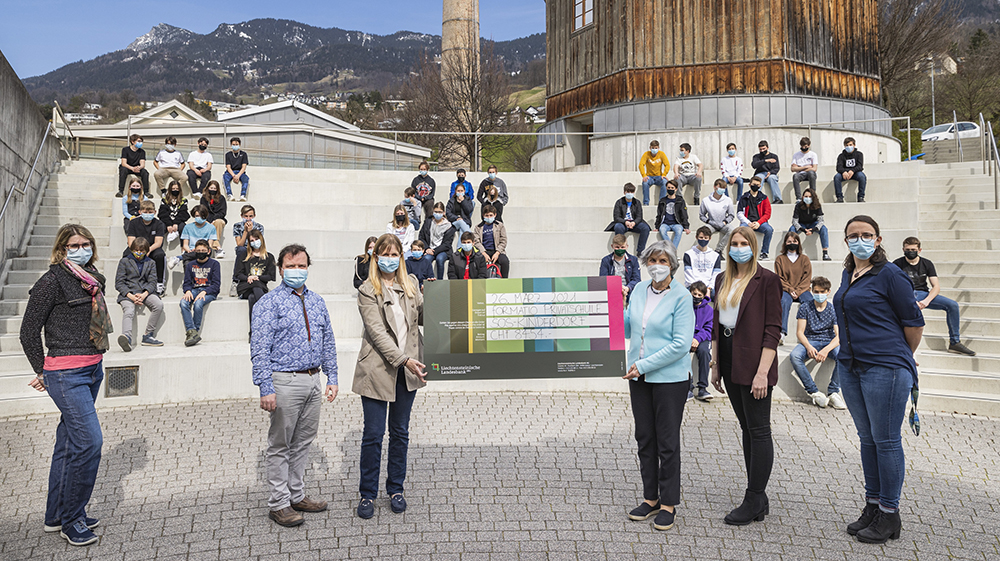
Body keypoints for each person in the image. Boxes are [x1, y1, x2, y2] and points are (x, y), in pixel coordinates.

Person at [834, 215, 924, 544]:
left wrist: (899, 355)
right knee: (867, 439)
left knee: (886, 441)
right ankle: (873, 506)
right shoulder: (848, 273)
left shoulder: (891, 275)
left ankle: (890, 514)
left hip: (884, 367)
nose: (860, 239)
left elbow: (914, 324)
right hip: (851, 365)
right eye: (853, 235)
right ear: (846, 241)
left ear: (878, 239)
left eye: (867, 234)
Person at [20, 223, 111, 546]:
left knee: (69, 444)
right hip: (65, 373)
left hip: (92, 369)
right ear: (62, 249)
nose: (81, 248)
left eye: (86, 243)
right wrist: (41, 370)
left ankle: (56, 515)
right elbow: (28, 331)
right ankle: (73, 519)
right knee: (90, 444)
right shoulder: (51, 281)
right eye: (74, 244)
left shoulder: (93, 279)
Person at [251, 243, 338, 527]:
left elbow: (328, 342)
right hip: (284, 379)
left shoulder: (317, 301)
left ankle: (297, 495)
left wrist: (332, 376)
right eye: (291, 266)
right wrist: (265, 386)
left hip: (313, 380)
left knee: (303, 442)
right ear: (280, 269)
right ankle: (278, 504)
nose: (297, 271)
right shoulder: (268, 302)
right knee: (280, 445)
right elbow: (259, 348)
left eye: (301, 266)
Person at [710, 226, 782, 526]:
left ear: (753, 246)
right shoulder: (722, 278)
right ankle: (759, 496)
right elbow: (716, 323)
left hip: (754, 361)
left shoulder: (767, 280)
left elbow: (773, 329)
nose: (738, 247)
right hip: (728, 357)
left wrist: (762, 372)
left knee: (759, 430)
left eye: (744, 243)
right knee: (746, 427)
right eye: (734, 243)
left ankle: (754, 496)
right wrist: (714, 364)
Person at [622, 240, 694, 532]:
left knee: (667, 442)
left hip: (670, 379)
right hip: (638, 378)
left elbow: (680, 345)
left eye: (663, 260)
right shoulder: (639, 289)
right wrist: (614, 307)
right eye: (652, 259)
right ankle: (650, 498)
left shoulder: (682, 297)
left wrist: (644, 365)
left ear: (673, 265)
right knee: (645, 439)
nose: (657, 265)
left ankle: (669, 504)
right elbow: (629, 327)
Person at [354, 233, 427, 519]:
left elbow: (423, 318)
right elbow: (378, 333)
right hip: (377, 369)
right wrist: (404, 360)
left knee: (400, 433)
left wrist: (443, 300)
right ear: (376, 257)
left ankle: (396, 488)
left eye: (394, 254)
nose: (389, 258)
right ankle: (367, 494)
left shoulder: (410, 286)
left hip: (407, 372)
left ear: (401, 257)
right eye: (384, 253)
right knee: (373, 435)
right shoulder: (367, 290)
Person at [893, 237, 976, 356]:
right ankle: (902, 347)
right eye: (907, 249)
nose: (910, 252)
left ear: (919, 250)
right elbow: (893, 286)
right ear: (903, 250)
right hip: (906, 294)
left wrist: (926, 301)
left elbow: (936, 286)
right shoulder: (897, 264)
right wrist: (909, 300)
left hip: (923, 294)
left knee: (952, 305)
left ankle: (955, 342)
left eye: (913, 249)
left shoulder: (926, 263)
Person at [790, 276, 844, 409]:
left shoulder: (833, 309)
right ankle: (814, 392)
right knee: (795, 356)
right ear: (812, 291)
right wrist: (808, 346)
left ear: (828, 292)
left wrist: (826, 350)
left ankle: (833, 392)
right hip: (810, 341)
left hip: (829, 341)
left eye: (822, 292)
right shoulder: (805, 307)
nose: (819, 295)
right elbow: (800, 332)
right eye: (816, 292)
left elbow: (839, 336)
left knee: (844, 356)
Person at [115, 237, 163, 351]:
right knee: (129, 310)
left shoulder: (151, 262)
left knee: (158, 305)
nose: (139, 253)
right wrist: (130, 295)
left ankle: (148, 335)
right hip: (128, 293)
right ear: (132, 249)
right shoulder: (124, 261)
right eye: (136, 250)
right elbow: (119, 283)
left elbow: (152, 281)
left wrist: (144, 294)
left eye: (142, 251)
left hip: (144, 292)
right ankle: (127, 337)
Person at [236, 229, 276, 341]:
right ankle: (266, 321)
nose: (254, 242)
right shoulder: (244, 255)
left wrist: (257, 277)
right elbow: (238, 274)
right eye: (252, 240)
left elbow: (271, 276)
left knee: (253, 298)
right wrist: (248, 277)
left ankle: (253, 332)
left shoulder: (269, 257)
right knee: (255, 285)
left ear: (261, 239)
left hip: (259, 288)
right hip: (245, 287)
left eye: (256, 239)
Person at [180, 240, 220, 347]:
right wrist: (187, 291)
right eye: (198, 251)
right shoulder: (190, 265)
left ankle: (195, 331)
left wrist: (205, 292)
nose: (201, 252)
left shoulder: (215, 264)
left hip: (209, 291)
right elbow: (187, 283)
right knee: (183, 303)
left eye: (203, 250)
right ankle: (191, 331)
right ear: (194, 251)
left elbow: (216, 285)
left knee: (198, 304)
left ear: (208, 251)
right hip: (194, 290)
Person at [775, 231, 814, 342]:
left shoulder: (804, 259)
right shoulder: (780, 259)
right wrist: (791, 289)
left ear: (799, 243)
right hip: (786, 290)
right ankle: (781, 333)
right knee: (784, 301)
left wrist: (798, 291)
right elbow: (779, 278)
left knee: (810, 302)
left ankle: (809, 333)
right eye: (789, 241)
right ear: (785, 243)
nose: (792, 243)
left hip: (802, 289)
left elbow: (807, 278)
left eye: (795, 241)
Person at [124, 199, 167, 294]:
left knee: (160, 255)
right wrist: (138, 250)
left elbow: (158, 242)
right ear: (140, 212)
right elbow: (130, 241)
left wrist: (148, 250)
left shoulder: (159, 224)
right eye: (145, 212)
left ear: (155, 212)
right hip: (136, 247)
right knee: (126, 255)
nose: (148, 214)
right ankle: (127, 282)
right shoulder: (134, 222)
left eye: (150, 212)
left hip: (152, 248)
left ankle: (159, 283)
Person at [605, 183, 651, 255]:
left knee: (645, 228)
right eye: (628, 192)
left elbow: (639, 217)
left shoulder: (637, 202)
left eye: (631, 192)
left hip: (634, 224)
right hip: (623, 224)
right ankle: (621, 250)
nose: (630, 194)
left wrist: (634, 222)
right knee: (618, 227)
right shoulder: (619, 202)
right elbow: (616, 217)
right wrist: (625, 222)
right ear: (624, 192)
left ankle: (640, 251)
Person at [230, 205, 265, 297]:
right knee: (241, 250)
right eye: (246, 216)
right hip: (243, 248)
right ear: (242, 216)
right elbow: (239, 244)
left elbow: (260, 242)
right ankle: (235, 281)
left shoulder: (259, 227)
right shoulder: (237, 226)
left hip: (255, 248)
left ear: (254, 216)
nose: (248, 218)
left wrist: (252, 231)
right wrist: (246, 232)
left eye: (251, 216)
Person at [169, 205, 218, 270]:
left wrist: (199, 249)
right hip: (190, 251)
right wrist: (189, 250)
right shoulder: (188, 227)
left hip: (204, 250)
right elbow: (185, 245)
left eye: (201, 216)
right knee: (187, 264)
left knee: (202, 251)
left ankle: (179, 257)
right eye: (197, 216)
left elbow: (210, 245)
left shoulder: (211, 228)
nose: (199, 217)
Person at [736, 176, 774, 259]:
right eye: (754, 184)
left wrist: (758, 223)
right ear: (749, 184)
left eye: (757, 185)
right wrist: (748, 223)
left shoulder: (764, 198)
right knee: (740, 230)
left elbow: (767, 214)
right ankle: (744, 252)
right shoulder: (744, 197)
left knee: (769, 230)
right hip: (747, 222)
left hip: (760, 223)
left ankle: (764, 253)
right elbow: (739, 213)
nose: (755, 186)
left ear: (760, 186)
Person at [790, 188, 831, 261]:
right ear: (802, 197)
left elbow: (821, 221)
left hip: (813, 224)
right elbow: (794, 221)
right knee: (792, 230)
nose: (808, 198)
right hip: (801, 224)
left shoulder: (817, 205)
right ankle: (791, 251)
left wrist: (813, 229)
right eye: (806, 196)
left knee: (824, 229)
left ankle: (825, 253)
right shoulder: (798, 206)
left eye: (810, 196)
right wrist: (802, 229)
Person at [689, 281, 713, 402]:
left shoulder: (709, 310)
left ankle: (702, 388)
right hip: (687, 337)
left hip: (702, 338)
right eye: (694, 294)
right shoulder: (685, 306)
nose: (696, 297)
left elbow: (708, 329)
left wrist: (697, 339)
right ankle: (688, 386)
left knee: (704, 352)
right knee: (681, 351)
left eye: (700, 295)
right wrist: (691, 339)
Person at [599, 234, 641, 302]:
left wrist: (627, 288)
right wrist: (617, 287)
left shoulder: (633, 260)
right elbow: (603, 279)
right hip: (612, 289)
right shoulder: (606, 260)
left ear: (627, 246)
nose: (620, 249)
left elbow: (637, 279)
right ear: (612, 246)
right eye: (617, 247)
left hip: (628, 290)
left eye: (622, 247)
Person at [700, 179, 738, 253]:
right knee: (703, 232)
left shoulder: (728, 200)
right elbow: (702, 215)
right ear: (714, 187)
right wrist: (709, 221)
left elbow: (731, 215)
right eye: (720, 188)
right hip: (711, 224)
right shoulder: (706, 200)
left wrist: (724, 222)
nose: (722, 190)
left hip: (723, 224)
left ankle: (719, 250)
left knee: (732, 231)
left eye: (723, 188)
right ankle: (705, 250)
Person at [418, 203, 455, 280]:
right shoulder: (428, 222)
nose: (437, 214)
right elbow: (421, 236)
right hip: (429, 249)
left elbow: (447, 244)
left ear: (444, 213)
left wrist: (434, 251)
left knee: (440, 259)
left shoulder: (449, 226)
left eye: (440, 212)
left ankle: (440, 281)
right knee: (426, 259)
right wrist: (427, 248)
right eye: (436, 211)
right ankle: (427, 280)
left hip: (443, 250)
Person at [473, 204, 509, 278]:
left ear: (495, 215)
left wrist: (497, 252)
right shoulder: (478, 227)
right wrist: (483, 253)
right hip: (483, 251)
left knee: (505, 261)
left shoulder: (500, 225)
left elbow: (503, 240)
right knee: (475, 262)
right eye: (486, 215)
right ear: (483, 215)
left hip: (497, 251)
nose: (489, 217)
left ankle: (505, 282)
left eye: (490, 215)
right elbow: (476, 241)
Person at [683, 227, 722, 291]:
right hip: (692, 286)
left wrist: (709, 288)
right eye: (701, 237)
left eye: (706, 238)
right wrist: (697, 288)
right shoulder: (688, 254)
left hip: (709, 287)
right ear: (696, 237)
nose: (703, 240)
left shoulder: (715, 256)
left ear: (710, 239)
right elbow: (688, 274)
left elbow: (716, 275)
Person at [655, 180, 689, 249]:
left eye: (672, 188)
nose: (670, 189)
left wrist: (686, 227)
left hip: (677, 223)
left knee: (679, 231)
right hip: (665, 223)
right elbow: (659, 214)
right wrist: (657, 226)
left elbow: (684, 213)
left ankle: (671, 251)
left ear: (676, 189)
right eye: (668, 188)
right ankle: (673, 250)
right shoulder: (662, 200)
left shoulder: (680, 200)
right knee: (662, 230)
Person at [834, 137, 867, 203]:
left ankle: (861, 196)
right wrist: (843, 172)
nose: (848, 147)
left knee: (862, 176)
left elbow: (860, 166)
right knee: (837, 177)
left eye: (850, 145)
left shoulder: (859, 154)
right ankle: (839, 197)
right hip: (844, 174)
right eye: (847, 145)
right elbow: (838, 167)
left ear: (854, 145)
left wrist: (852, 171)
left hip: (855, 173)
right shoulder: (841, 156)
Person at [201, 181, 228, 258]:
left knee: (218, 222)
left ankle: (214, 245)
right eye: (211, 188)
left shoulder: (221, 198)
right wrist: (209, 220)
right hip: (207, 218)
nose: (213, 189)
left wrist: (214, 219)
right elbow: (202, 211)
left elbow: (223, 212)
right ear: (208, 188)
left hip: (218, 218)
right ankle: (217, 247)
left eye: (214, 188)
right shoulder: (203, 198)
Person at [639, 140, 669, 205]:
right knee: (645, 183)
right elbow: (641, 165)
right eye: (653, 148)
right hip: (649, 176)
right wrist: (644, 175)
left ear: (658, 148)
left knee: (665, 182)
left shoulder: (661, 154)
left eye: (656, 148)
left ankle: (661, 202)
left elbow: (667, 165)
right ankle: (646, 203)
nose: (654, 149)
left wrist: (664, 174)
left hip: (659, 176)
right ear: (650, 148)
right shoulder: (646, 154)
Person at [790, 137, 818, 202]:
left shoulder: (813, 154)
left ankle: (813, 196)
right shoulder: (796, 155)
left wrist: (799, 168)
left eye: (805, 146)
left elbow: (814, 169)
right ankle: (798, 198)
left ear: (809, 145)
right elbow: (792, 169)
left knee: (811, 173)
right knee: (795, 176)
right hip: (800, 175)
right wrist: (806, 167)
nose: (804, 148)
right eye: (802, 146)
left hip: (810, 174)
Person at [224, 137, 250, 202]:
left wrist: (238, 175)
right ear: (231, 145)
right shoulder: (228, 154)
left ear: (239, 145)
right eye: (233, 144)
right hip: (230, 172)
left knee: (246, 179)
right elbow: (228, 166)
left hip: (240, 172)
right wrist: (233, 175)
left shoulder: (243, 154)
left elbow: (244, 167)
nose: (235, 146)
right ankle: (229, 195)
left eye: (236, 144)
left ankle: (243, 195)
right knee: (225, 177)